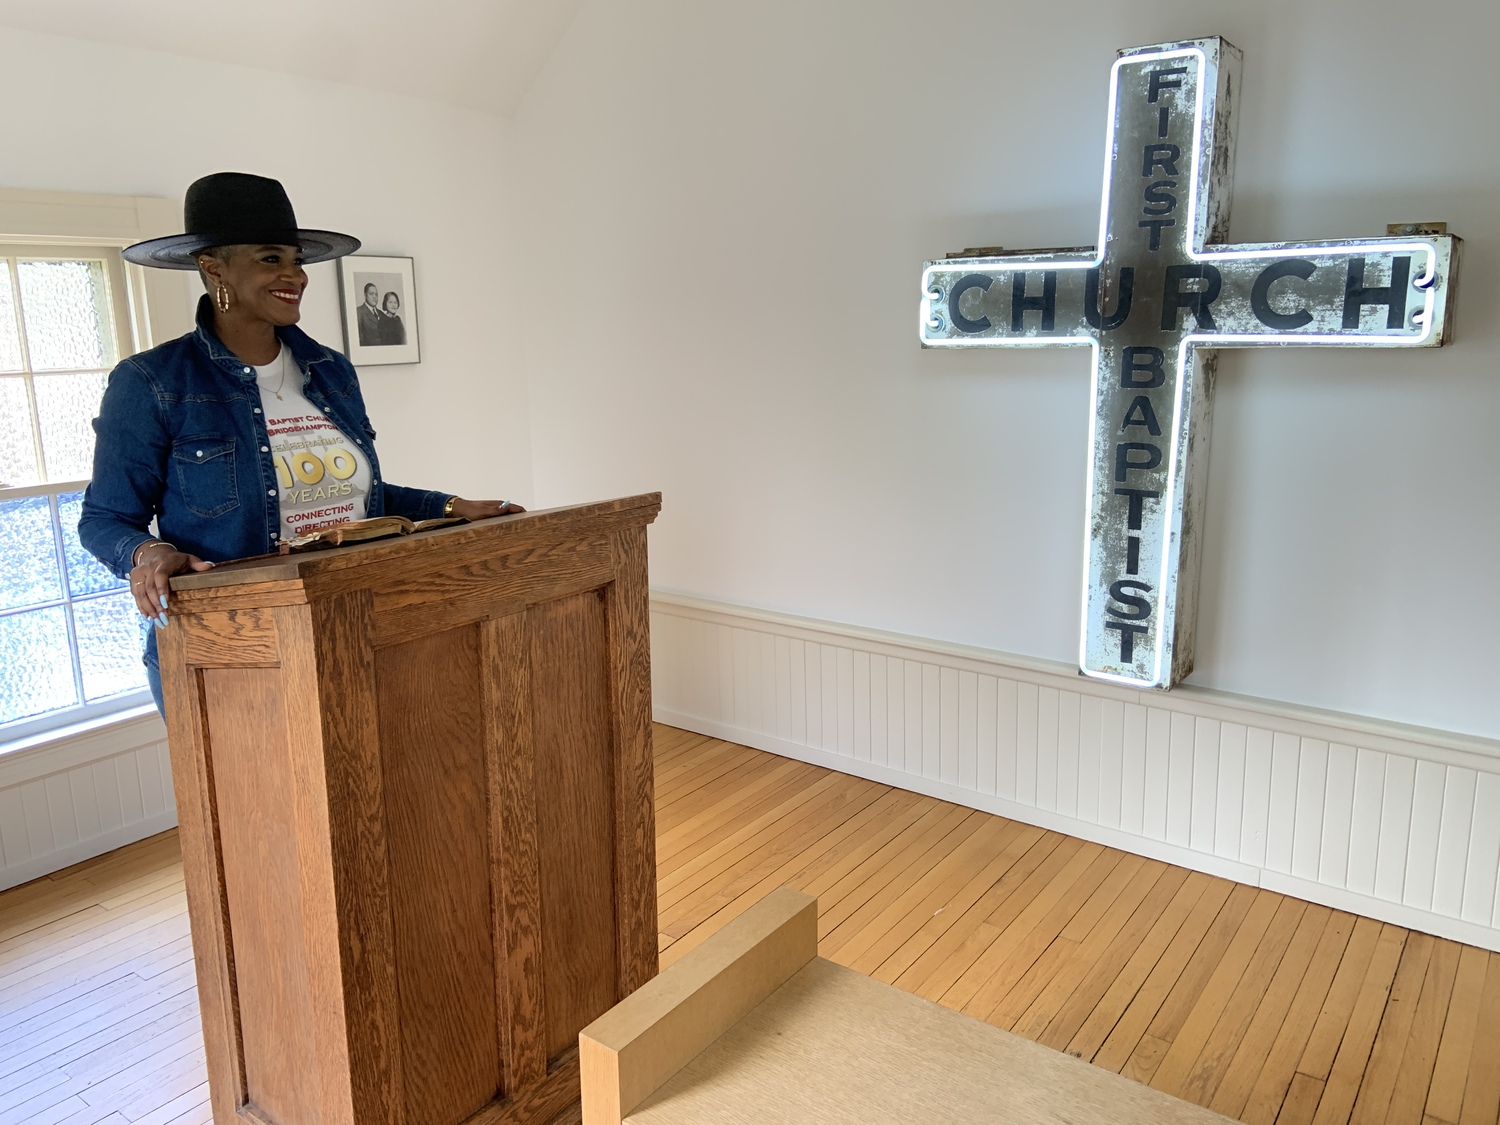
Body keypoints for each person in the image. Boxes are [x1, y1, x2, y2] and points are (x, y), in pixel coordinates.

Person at [80, 172, 523, 716]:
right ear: (213, 267)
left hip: (351, 626)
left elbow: (357, 497)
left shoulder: (330, 370)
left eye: (297, 260)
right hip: (225, 651)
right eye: (271, 259)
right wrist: (150, 553)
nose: (296, 276)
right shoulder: (153, 382)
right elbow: (103, 518)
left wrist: (453, 508)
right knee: (248, 802)